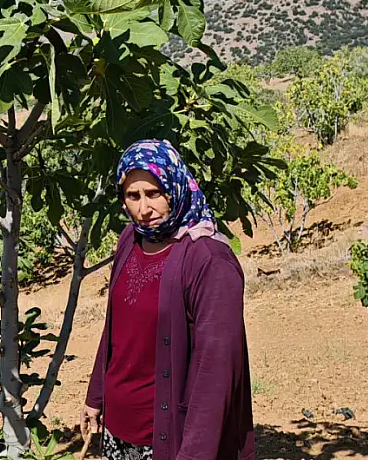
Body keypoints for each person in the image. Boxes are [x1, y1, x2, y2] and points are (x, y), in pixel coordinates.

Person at [81, 140, 254, 460]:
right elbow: (115, 328)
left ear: (175, 188)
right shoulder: (130, 240)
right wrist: (97, 396)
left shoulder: (208, 260)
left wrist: (194, 453)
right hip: (118, 435)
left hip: (168, 441)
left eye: (154, 193)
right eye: (133, 196)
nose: (143, 208)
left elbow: (215, 374)